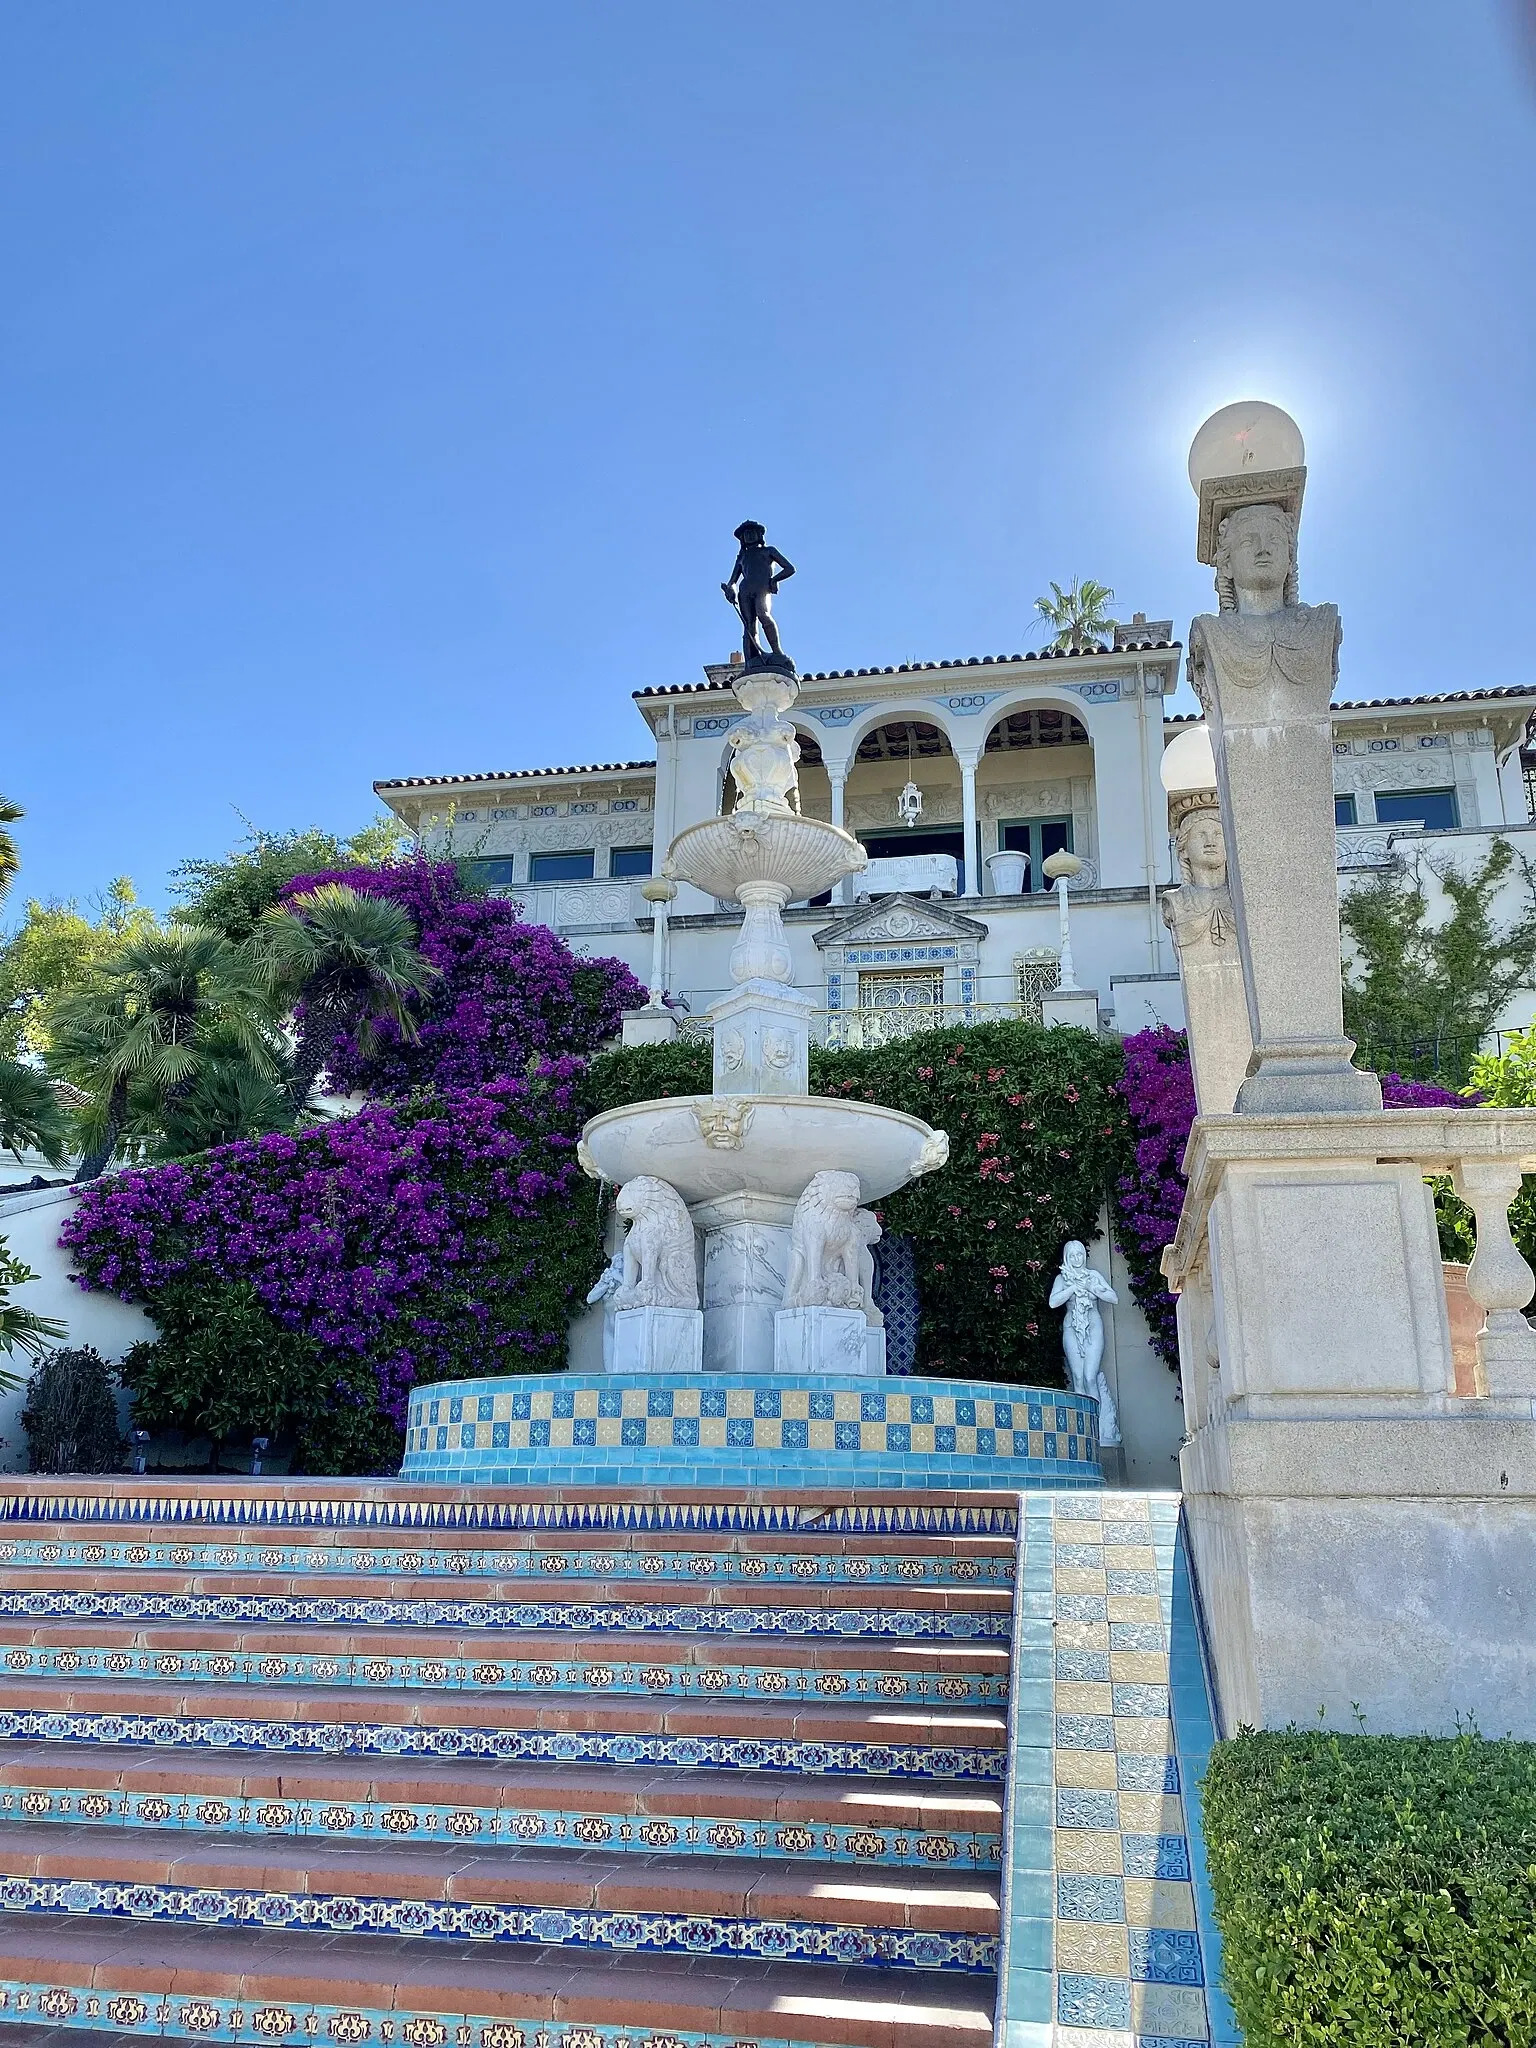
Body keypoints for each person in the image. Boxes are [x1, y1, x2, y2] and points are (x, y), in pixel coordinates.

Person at [1048, 1239, 1121, 1446]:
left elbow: (1113, 1297)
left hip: (1093, 1326)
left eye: (1079, 1254)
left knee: (1090, 1377)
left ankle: (1097, 1427)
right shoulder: (1063, 1278)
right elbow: (1053, 1302)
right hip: (1072, 1327)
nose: (1076, 1259)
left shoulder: (1093, 1276)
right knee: (1078, 1378)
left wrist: (1091, 1287)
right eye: (1072, 1256)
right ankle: (1083, 1427)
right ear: (1066, 1258)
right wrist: (1072, 1289)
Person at [722, 521, 795, 665]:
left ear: (759, 534)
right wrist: (730, 589)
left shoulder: (769, 551)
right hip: (745, 590)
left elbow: (789, 568)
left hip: (762, 587)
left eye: (752, 532)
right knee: (749, 625)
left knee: (764, 615)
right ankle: (752, 657)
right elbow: (733, 580)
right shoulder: (742, 557)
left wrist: (774, 580)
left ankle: (777, 651)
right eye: (745, 534)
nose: (749, 536)